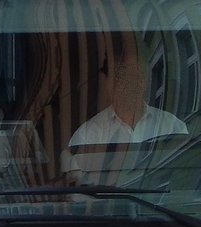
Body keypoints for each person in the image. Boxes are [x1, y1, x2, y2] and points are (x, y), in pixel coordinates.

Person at [65, 50, 186, 183]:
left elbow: (184, 178)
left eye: (133, 74)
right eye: (119, 75)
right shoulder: (87, 135)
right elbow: (78, 194)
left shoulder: (172, 126)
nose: (126, 82)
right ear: (107, 83)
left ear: (143, 81)